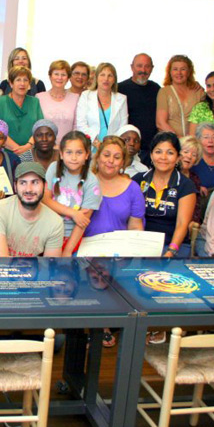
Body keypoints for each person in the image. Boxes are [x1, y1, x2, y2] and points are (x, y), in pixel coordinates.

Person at [83, 136, 144, 349]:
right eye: (106, 155)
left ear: (124, 161)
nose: (111, 161)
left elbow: (136, 225)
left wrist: (129, 251)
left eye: (117, 157)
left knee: (112, 267)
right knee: (95, 268)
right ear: (97, 158)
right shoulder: (84, 182)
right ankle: (96, 327)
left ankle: (103, 325)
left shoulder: (133, 188)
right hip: (84, 248)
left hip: (119, 251)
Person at [133, 132, 197, 259]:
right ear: (151, 155)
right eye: (158, 152)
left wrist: (170, 252)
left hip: (173, 246)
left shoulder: (185, 185)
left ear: (178, 157)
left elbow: (182, 224)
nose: (163, 157)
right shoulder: (138, 180)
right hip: (140, 245)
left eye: (170, 153)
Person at [0, 161, 63, 257]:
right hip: (3, 269)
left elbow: (49, 266)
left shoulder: (55, 223)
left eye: (35, 182)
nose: (28, 189)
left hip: (35, 270)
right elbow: (1, 261)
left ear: (45, 186)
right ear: (15, 186)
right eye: (23, 183)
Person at [43, 131, 101, 256]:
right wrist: (73, 213)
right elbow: (46, 200)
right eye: (69, 152)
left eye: (79, 153)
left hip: (71, 236)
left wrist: (68, 251)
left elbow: (82, 222)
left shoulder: (92, 181)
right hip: (46, 232)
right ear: (62, 154)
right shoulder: (53, 168)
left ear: (87, 155)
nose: (74, 158)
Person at [0, 66, 44, 154]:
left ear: (29, 84)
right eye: (18, 80)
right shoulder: (0, 102)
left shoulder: (35, 102)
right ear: (11, 84)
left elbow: (40, 128)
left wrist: (28, 146)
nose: (22, 84)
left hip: (31, 152)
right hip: (7, 153)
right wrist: (17, 149)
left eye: (25, 80)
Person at [76, 62, 128, 148]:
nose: (106, 79)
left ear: (114, 79)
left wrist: (110, 146)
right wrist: (96, 142)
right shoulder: (86, 95)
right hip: (90, 147)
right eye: (102, 75)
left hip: (113, 149)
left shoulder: (122, 99)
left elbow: (123, 128)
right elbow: (81, 124)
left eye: (110, 75)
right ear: (96, 78)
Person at [118, 53, 160, 156]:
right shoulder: (120, 89)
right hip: (128, 149)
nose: (143, 70)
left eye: (147, 66)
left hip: (151, 149)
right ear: (132, 67)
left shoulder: (157, 89)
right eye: (139, 66)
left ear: (152, 68)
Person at [156, 55, 204, 137]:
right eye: (175, 69)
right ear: (170, 72)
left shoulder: (198, 92)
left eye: (183, 69)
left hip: (195, 144)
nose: (179, 73)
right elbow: (161, 123)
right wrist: (179, 140)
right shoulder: (164, 92)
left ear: (189, 72)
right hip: (172, 142)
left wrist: (191, 142)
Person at [36, 60, 78, 144]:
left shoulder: (75, 98)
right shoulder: (39, 97)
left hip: (68, 148)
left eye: (63, 75)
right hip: (45, 148)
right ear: (50, 76)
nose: (59, 78)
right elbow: (37, 126)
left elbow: (76, 126)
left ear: (68, 78)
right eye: (56, 74)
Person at [191, 122, 214, 218]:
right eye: (206, 137)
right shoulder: (193, 161)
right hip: (195, 211)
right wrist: (197, 186)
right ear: (198, 140)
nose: (210, 141)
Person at [178, 135, 203, 224]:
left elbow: (196, 207)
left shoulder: (195, 179)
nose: (189, 156)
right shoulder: (169, 174)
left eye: (194, 155)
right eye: (186, 152)